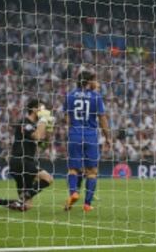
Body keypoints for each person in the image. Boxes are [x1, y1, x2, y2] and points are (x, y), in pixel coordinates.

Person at [0, 99, 54, 211]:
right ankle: (27, 194)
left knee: (25, 206)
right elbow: (37, 136)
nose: (44, 111)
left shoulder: (34, 126)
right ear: (33, 109)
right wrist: (43, 120)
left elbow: (42, 146)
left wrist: (48, 130)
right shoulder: (24, 122)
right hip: (21, 161)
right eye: (41, 108)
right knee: (48, 179)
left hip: (24, 163)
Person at [63, 70, 109, 212]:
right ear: (89, 82)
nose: (96, 82)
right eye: (94, 80)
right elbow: (102, 118)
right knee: (92, 171)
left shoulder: (69, 95)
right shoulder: (96, 97)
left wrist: (70, 132)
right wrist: (108, 137)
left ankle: (73, 193)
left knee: (73, 169)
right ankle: (87, 204)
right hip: (90, 136)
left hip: (75, 134)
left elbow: (67, 118)